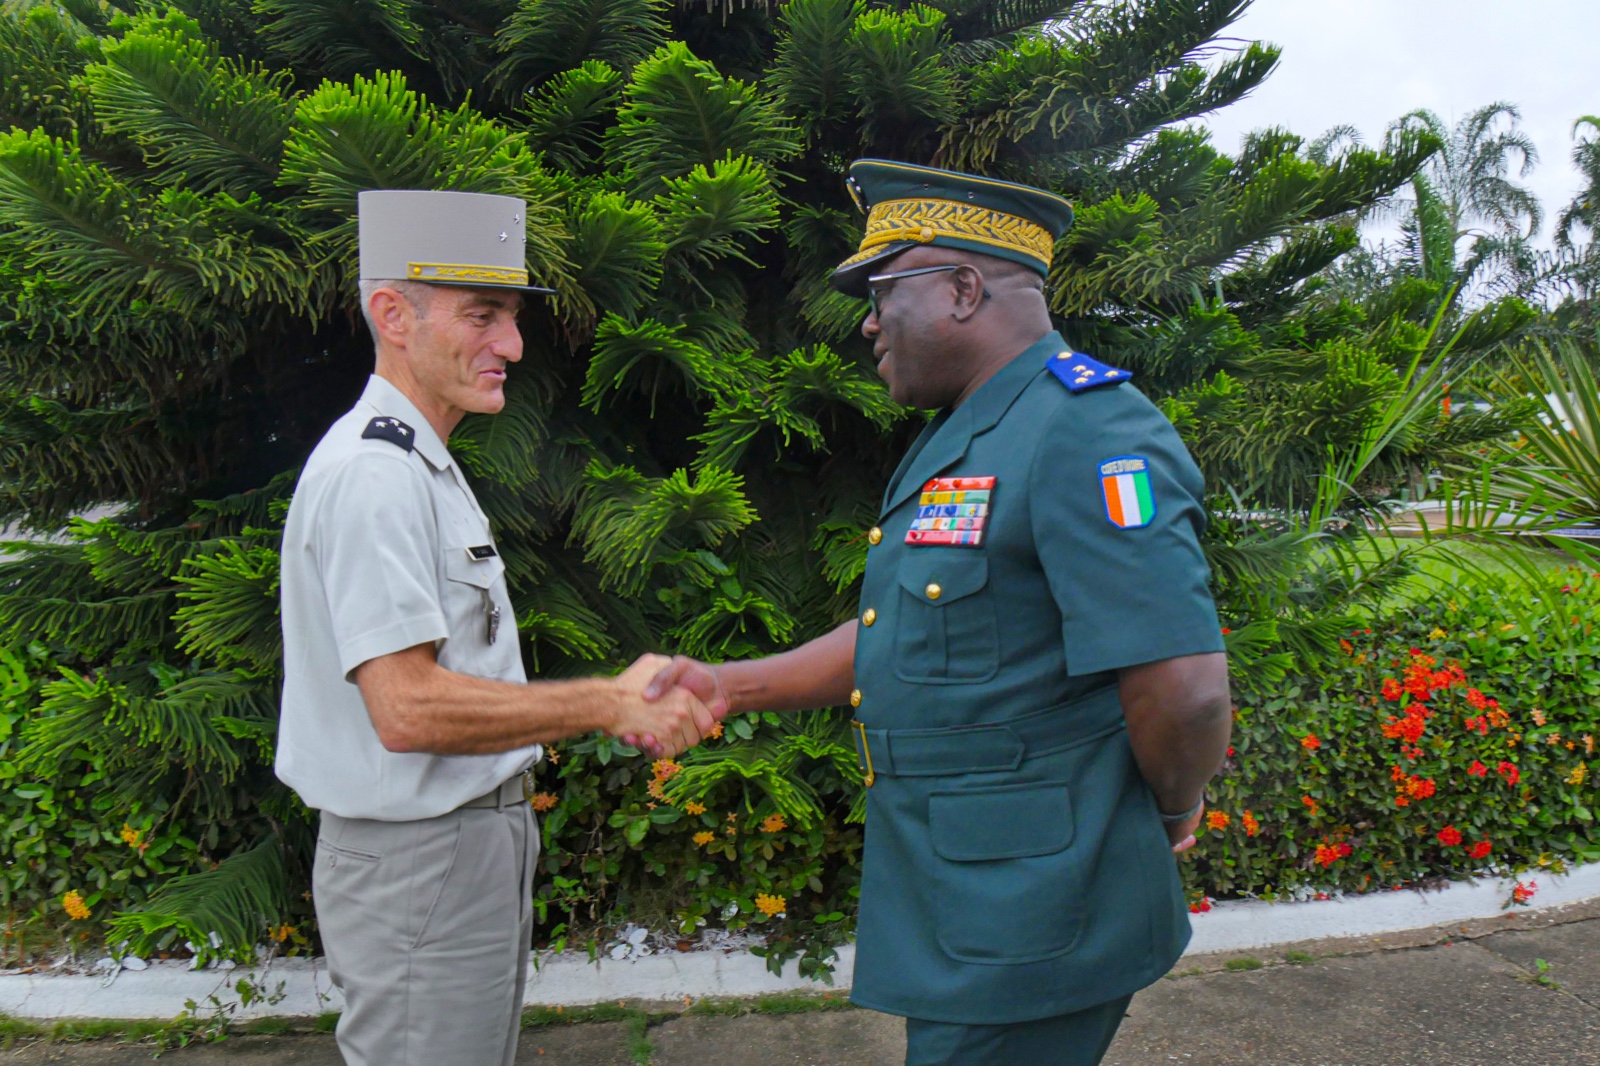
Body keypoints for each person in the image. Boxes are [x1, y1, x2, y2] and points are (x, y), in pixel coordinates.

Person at [640, 161, 1233, 1065]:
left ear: (963, 289)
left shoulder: (1089, 429)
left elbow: (1184, 689)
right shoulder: (973, 431)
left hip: (1036, 905)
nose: (870, 323)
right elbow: (902, 633)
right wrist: (728, 684)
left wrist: (1160, 818)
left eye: (882, 293)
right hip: (971, 898)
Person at [275, 189, 718, 1066]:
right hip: (420, 860)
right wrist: (604, 703)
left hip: (452, 852)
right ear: (392, 314)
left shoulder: (417, 464)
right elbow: (405, 711)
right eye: (482, 315)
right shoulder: (377, 477)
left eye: (511, 318)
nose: (511, 345)